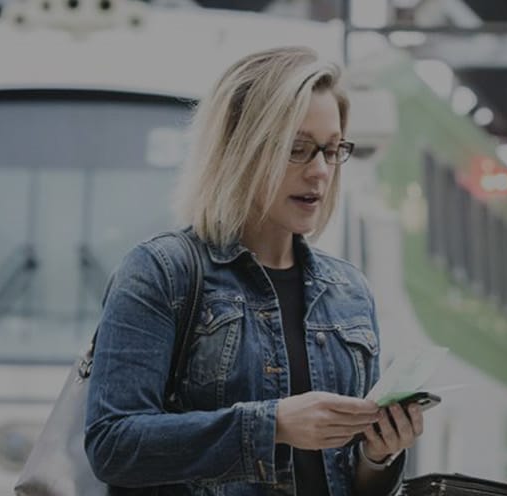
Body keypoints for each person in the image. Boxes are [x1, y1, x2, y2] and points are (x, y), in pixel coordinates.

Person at [83, 46, 423, 496]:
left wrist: (379, 456)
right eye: (297, 149)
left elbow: (344, 478)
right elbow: (113, 445)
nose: (320, 171)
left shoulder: (350, 292)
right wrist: (273, 425)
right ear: (238, 150)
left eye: (331, 149)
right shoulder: (161, 272)